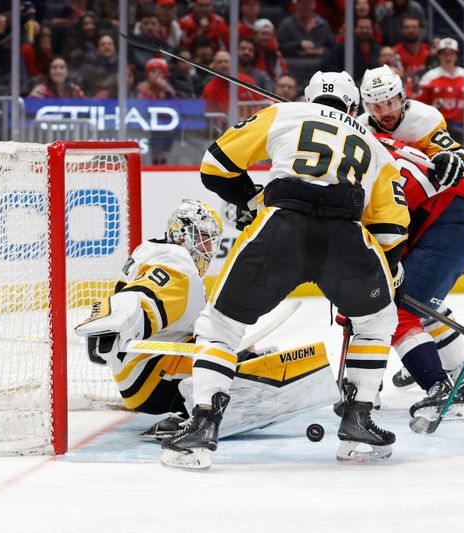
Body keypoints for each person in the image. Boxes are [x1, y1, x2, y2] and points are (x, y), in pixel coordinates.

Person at [161, 71, 409, 469]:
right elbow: (391, 227)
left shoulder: (284, 113)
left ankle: (203, 425)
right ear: (353, 106)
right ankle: (359, 416)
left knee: (221, 325)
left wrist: (251, 200)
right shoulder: (374, 145)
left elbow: (215, 165)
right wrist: (388, 269)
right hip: (346, 237)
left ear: (310, 98)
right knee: (376, 321)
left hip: (280, 228)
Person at [74, 200, 337, 441]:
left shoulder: (155, 253)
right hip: (155, 382)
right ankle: (200, 413)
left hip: (147, 374)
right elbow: (144, 298)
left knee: (246, 353)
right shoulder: (175, 264)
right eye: (201, 239)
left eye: (210, 241)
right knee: (247, 366)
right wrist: (112, 324)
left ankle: (195, 407)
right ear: (179, 234)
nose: (208, 249)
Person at [358, 65, 464, 433]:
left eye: (392, 102)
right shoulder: (362, 132)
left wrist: (455, 162)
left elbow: (462, 160)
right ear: (367, 106)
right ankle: (461, 379)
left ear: (403, 97)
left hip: (451, 222)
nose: (387, 111)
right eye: (377, 105)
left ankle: (448, 387)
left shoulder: (424, 120)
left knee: (399, 308)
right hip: (434, 226)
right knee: (421, 303)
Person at [418, 38, 464, 143]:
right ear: (439, 55)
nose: (448, 57)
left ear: (456, 55)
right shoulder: (429, 77)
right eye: (444, 53)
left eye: (451, 53)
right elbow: (419, 106)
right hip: (437, 130)